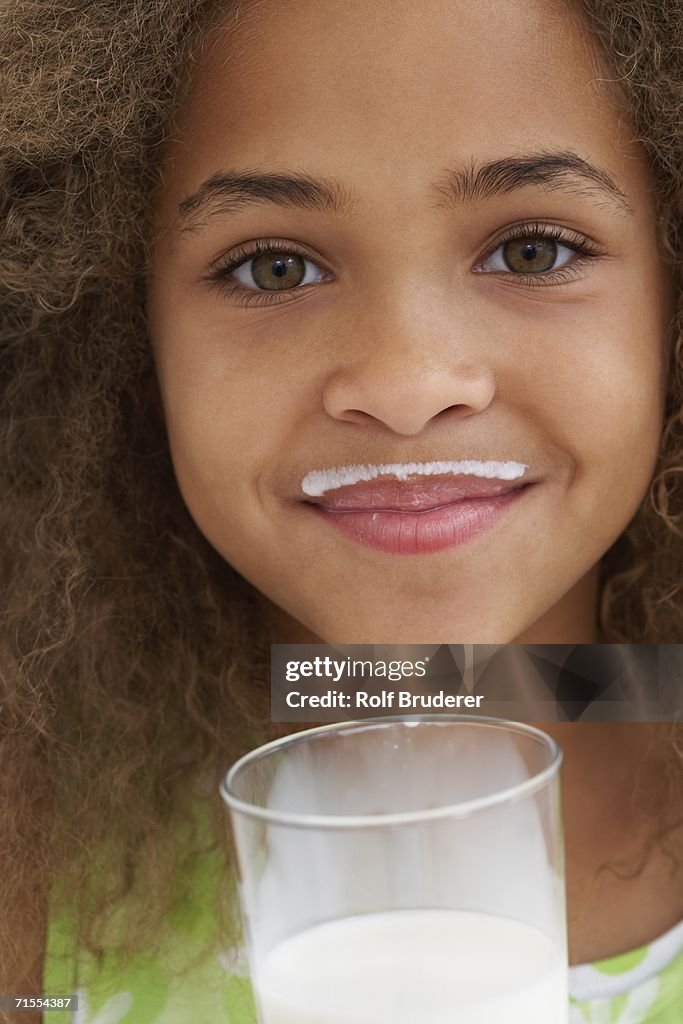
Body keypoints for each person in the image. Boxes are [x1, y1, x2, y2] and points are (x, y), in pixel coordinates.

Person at [0, 0, 681, 1021]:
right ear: (120, 327)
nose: (404, 380)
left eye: (531, 251)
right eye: (274, 266)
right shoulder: (31, 847)